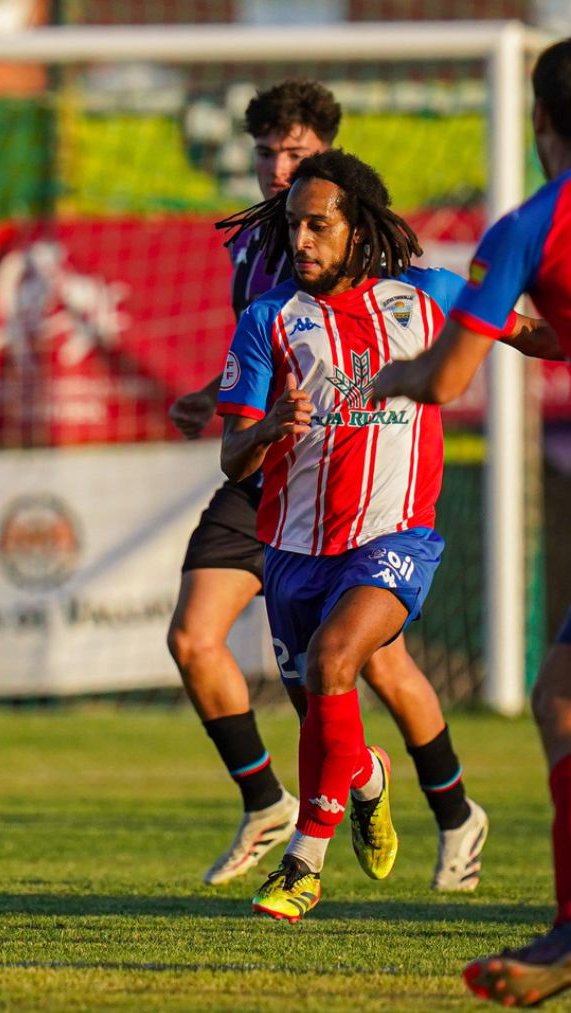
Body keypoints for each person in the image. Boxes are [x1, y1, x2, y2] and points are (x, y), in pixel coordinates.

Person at [165, 79, 489, 892]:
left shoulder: (394, 275)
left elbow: (453, 323)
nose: (280, 171)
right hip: (277, 474)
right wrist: (231, 402)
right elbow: (275, 347)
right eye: (268, 154)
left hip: (368, 491)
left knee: (360, 661)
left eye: (297, 154)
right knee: (206, 641)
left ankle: (433, 818)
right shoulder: (257, 253)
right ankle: (288, 793)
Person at [214, 149, 554, 921]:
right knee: (321, 712)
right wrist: (269, 426)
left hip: (395, 537)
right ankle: (364, 776)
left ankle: (303, 863)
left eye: (318, 226)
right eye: (293, 224)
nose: (300, 240)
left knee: (339, 660)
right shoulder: (268, 322)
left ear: (357, 229)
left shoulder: (426, 296)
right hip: (294, 553)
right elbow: (234, 457)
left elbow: (531, 331)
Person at [372, 37, 571, 1005]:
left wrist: (401, 369)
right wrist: (513, 328)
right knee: (563, 697)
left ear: (541, 124)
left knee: (565, 702)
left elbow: (448, 378)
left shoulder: (532, 225)